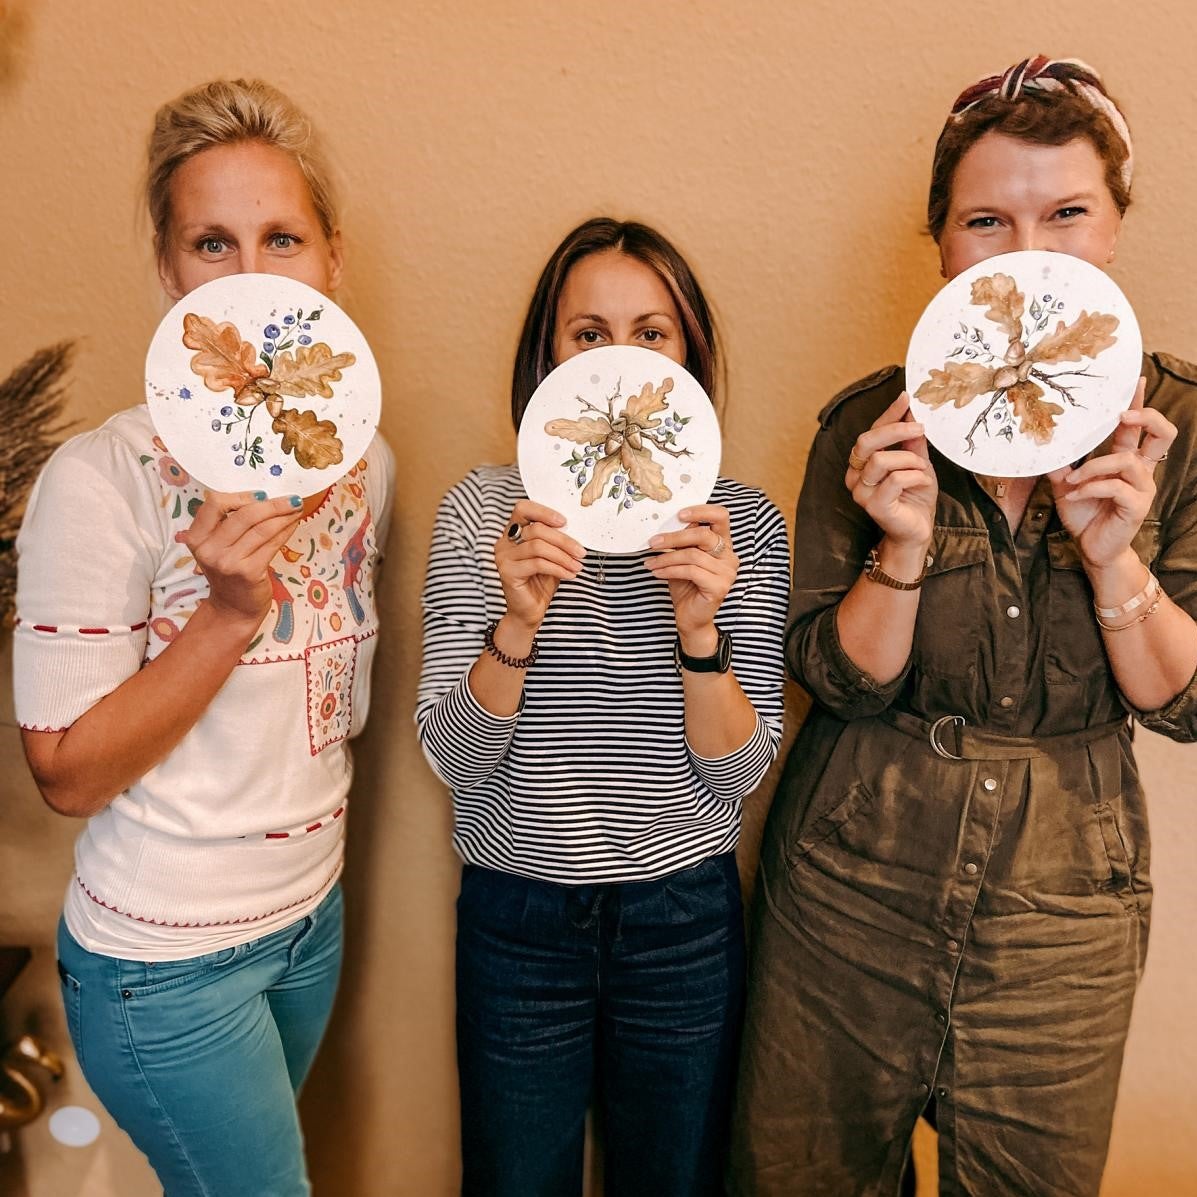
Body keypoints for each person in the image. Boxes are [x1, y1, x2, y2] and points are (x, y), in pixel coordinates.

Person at [730, 56, 1197, 1197]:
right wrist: (897, 550)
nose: (1028, 246)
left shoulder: (1178, 429)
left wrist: (1111, 554)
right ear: (940, 243)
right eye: (987, 219)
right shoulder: (872, 422)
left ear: (1117, 227)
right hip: (851, 879)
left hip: (1065, 908)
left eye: (1066, 212)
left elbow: (1184, 704)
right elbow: (835, 682)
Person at [14, 79, 394, 1196]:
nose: (251, 276)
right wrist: (228, 617)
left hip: (307, 923)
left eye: (283, 237)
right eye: (211, 243)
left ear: (334, 260)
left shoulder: (365, 461)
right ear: (170, 271)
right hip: (162, 965)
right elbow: (66, 773)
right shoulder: (101, 480)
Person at [415, 217, 789, 1197]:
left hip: (683, 921)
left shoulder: (737, 525)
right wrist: (519, 620)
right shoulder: (481, 512)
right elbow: (455, 762)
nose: (620, 359)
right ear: (547, 357)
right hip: (517, 917)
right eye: (589, 334)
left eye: (651, 332)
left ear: (692, 354)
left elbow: (741, 776)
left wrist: (700, 632)